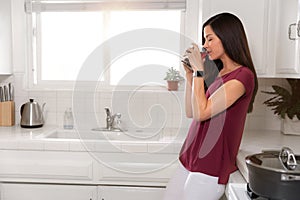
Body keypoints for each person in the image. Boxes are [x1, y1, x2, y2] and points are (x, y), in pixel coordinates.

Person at [163, 12, 258, 200]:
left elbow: (201, 113)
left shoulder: (243, 76)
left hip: (211, 165)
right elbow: (191, 112)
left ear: (227, 37)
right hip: (191, 157)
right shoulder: (219, 72)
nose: (205, 45)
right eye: (204, 39)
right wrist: (191, 76)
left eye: (210, 39)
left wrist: (199, 71)